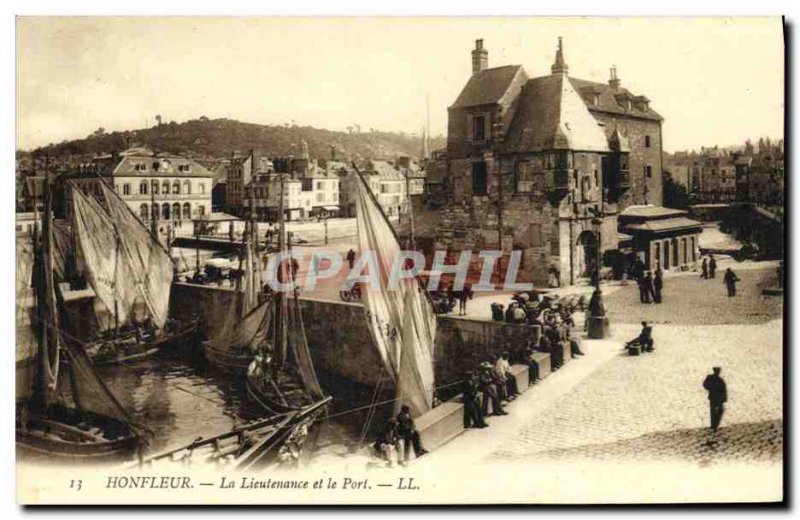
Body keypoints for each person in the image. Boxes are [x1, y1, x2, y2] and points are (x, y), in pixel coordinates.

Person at [702, 367, 727, 432]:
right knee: (713, 411)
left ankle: (715, 425)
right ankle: (714, 425)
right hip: (713, 397)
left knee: (719, 411)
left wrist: (724, 398)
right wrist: (710, 389)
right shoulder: (710, 377)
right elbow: (705, 384)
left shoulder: (720, 380)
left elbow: (723, 389)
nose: (718, 372)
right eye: (717, 371)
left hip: (718, 398)